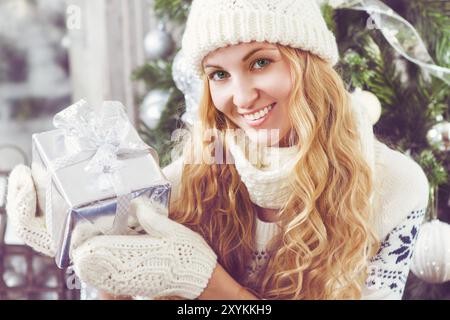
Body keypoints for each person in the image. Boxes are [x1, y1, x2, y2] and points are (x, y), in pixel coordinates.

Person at [6, 0, 429, 300]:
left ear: (308, 64)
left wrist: (206, 284)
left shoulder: (395, 185)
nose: (241, 97)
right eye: (219, 74)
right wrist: (83, 246)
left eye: (260, 62)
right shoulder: (191, 176)